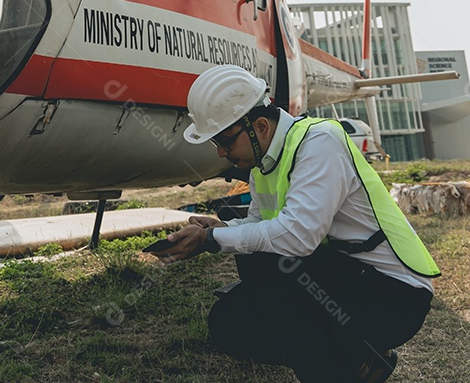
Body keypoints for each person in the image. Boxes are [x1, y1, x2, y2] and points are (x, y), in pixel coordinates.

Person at [149, 65, 438, 383]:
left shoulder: (320, 142)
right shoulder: (262, 168)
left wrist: (211, 240)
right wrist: (219, 229)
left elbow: (297, 238)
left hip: (394, 298)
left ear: (259, 126)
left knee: (267, 263)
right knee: (229, 322)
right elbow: (261, 225)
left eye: (224, 140)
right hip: (344, 283)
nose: (220, 151)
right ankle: (361, 358)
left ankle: (337, 370)